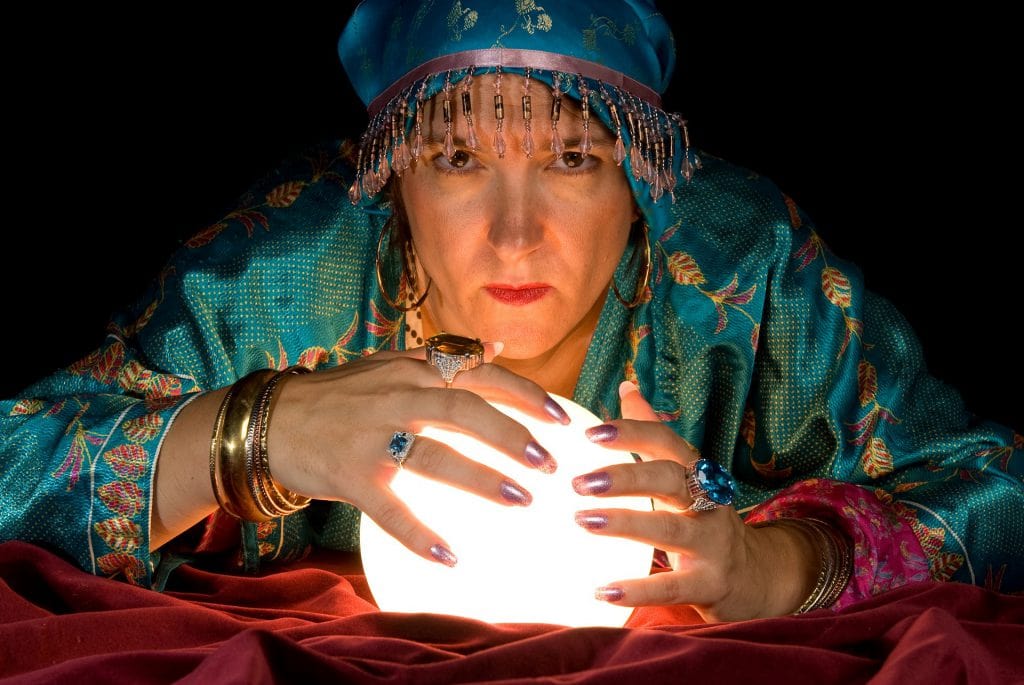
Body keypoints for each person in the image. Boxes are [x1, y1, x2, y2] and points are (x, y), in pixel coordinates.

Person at [1, 0, 1020, 623]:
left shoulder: (742, 272)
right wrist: (254, 434)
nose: (516, 234)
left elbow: (993, 487)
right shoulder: (281, 277)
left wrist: (776, 564)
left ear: (641, 180)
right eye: (457, 158)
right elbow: (18, 460)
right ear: (392, 177)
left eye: (572, 159)